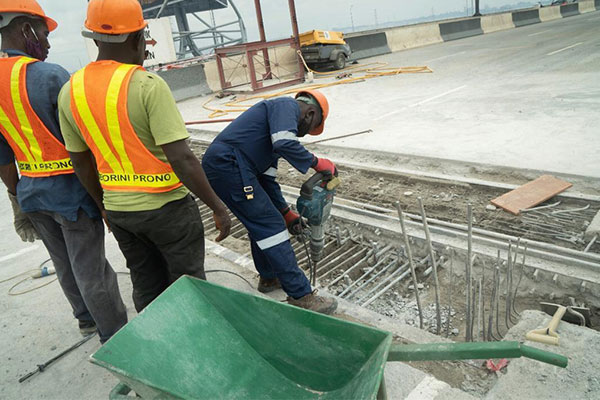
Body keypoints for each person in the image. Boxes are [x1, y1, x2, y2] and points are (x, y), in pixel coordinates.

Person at [58, 0, 231, 312]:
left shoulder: (70, 90)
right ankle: (196, 347)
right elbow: (182, 158)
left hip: (121, 213)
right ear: (137, 38)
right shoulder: (148, 85)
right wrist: (217, 207)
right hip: (168, 211)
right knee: (189, 287)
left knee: (146, 284)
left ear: (95, 39)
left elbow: (80, 163)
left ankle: (158, 348)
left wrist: (104, 207)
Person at [0, 0, 127, 342]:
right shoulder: (51, 75)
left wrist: (16, 198)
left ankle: (86, 319)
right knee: (91, 270)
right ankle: (116, 336)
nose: (48, 43)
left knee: (64, 264)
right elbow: (85, 140)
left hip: (31, 194)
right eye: (43, 33)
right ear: (25, 28)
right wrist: (102, 196)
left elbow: (3, 157)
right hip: (72, 194)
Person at [202, 89, 339, 315]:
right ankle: (301, 295)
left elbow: (267, 182)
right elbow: (286, 143)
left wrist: (286, 213)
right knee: (270, 225)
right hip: (229, 164)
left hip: (231, 165)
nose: (303, 135)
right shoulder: (285, 106)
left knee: (265, 221)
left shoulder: (271, 137)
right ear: (310, 113)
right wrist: (317, 163)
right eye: (311, 128)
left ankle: (269, 277)